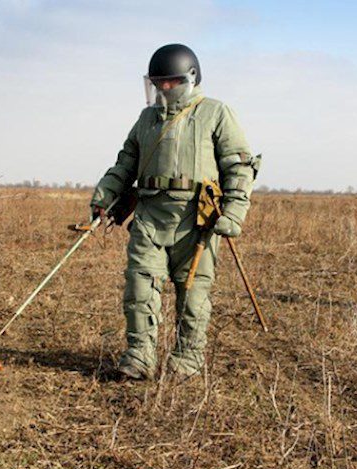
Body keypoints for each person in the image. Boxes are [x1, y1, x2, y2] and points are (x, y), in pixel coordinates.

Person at [90, 44, 257, 379]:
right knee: (139, 288)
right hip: (150, 217)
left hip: (197, 221)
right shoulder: (146, 119)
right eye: (158, 83)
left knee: (193, 294)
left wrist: (234, 212)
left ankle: (186, 361)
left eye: (170, 82)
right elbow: (126, 163)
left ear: (190, 78)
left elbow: (239, 166)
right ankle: (138, 358)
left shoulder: (216, 113)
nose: (163, 89)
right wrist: (104, 195)